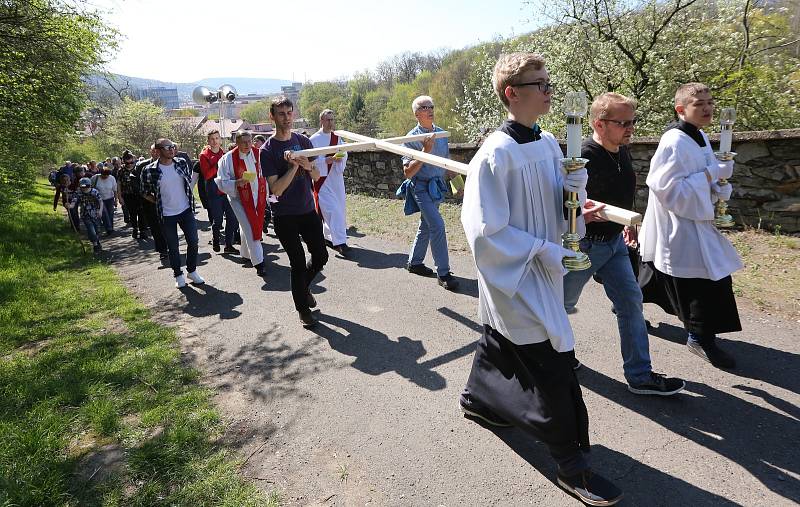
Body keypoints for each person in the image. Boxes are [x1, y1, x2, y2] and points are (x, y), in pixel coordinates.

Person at [459, 52, 622, 506]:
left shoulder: (548, 142)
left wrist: (575, 199)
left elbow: (557, 195)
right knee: (553, 360)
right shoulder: (495, 154)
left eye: (550, 82)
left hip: (546, 265)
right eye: (541, 84)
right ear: (513, 94)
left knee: (501, 341)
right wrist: (549, 251)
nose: (550, 90)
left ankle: (477, 399)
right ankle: (572, 465)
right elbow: (486, 233)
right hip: (519, 272)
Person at [561, 93, 686, 396]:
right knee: (557, 307)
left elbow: (623, 188)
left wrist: (626, 226)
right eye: (623, 123)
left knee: (631, 304)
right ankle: (554, 355)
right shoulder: (580, 157)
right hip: (585, 247)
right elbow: (562, 200)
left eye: (633, 122)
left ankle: (640, 376)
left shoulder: (622, 151)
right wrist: (574, 216)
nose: (630, 128)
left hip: (615, 243)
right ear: (599, 124)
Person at [639, 82, 742, 369]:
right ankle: (699, 338)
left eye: (710, 102)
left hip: (698, 221)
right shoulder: (674, 141)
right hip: (680, 223)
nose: (708, 108)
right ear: (681, 109)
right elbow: (666, 188)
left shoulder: (700, 137)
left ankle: (631, 305)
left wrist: (719, 187)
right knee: (702, 281)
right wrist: (711, 173)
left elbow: (703, 177)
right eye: (699, 104)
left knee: (685, 275)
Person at [262, 96, 328, 328]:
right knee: (298, 262)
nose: (287, 118)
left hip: (307, 209)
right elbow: (276, 189)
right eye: (281, 114)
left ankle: (303, 287)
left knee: (321, 256)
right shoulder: (267, 150)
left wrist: (307, 164)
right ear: (272, 117)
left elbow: (317, 175)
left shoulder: (303, 141)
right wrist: (293, 166)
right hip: (284, 215)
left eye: (289, 113)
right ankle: (303, 309)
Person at [397, 95, 458, 290]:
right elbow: (408, 173)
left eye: (431, 106)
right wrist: (425, 150)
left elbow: (446, 162)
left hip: (437, 186)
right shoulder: (410, 139)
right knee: (437, 225)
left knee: (427, 224)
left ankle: (414, 263)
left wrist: (459, 183)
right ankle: (444, 272)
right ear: (416, 114)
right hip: (420, 188)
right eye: (425, 107)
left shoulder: (440, 134)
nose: (430, 109)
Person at [141, 138, 205, 288]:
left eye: (173, 146)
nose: (172, 149)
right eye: (168, 147)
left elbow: (188, 182)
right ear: (158, 151)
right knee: (173, 246)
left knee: (193, 241)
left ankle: (192, 271)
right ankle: (178, 274)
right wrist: (157, 201)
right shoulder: (149, 170)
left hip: (185, 210)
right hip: (166, 215)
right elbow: (144, 192)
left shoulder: (181, 163)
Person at [216, 131, 268, 276]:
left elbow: (266, 173)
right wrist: (237, 183)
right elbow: (221, 182)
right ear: (237, 143)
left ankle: (245, 253)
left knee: (248, 224)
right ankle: (259, 263)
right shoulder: (227, 159)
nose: (247, 145)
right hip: (239, 199)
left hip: (259, 196)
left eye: (249, 141)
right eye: (243, 142)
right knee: (251, 227)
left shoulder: (259, 154)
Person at [310, 109, 351, 256]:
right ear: (321, 121)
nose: (330, 122)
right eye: (327, 120)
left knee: (339, 209)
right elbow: (310, 161)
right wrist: (325, 161)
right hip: (322, 180)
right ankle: (340, 242)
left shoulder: (337, 137)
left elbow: (344, 151)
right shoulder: (313, 139)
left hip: (336, 179)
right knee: (332, 210)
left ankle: (328, 237)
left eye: (332, 119)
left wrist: (341, 157)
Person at [199, 130, 239, 254]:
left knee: (232, 219)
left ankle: (228, 245)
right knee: (218, 221)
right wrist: (219, 164)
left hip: (227, 191)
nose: (215, 141)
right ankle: (215, 239)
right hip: (213, 192)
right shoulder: (204, 155)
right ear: (208, 141)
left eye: (217, 138)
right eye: (212, 139)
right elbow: (207, 175)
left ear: (220, 140)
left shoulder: (225, 153)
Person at [137, 145, 168, 259]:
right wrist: (152, 198)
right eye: (153, 151)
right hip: (150, 203)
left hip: (167, 202)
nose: (156, 153)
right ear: (150, 152)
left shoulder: (167, 164)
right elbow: (139, 187)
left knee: (167, 226)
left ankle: (171, 246)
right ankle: (163, 250)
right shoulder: (142, 166)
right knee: (156, 228)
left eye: (158, 151)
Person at [68, 177, 105, 253]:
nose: (84, 189)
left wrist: (100, 211)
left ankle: (97, 242)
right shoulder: (78, 193)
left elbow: (100, 201)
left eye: (86, 186)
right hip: (85, 215)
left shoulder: (94, 192)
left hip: (96, 214)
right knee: (91, 230)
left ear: (90, 185)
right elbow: (73, 202)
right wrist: (69, 206)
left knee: (97, 230)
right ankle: (95, 245)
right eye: (82, 187)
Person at [118, 150, 148, 240]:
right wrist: (120, 197)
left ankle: (143, 230)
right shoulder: (121, 171)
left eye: (131, 162)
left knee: (142, 213)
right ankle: (135, 228)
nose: (130, 164)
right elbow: (119, 184)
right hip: (128, 195)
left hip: (139, 194)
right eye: (128, 163)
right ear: (124, 161)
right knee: (132, 213)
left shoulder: (138, 168)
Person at [90, 164, 118, 236]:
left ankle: (110, 227)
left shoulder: (112, 178)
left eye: (107, 176)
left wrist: (116, 200)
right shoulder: (95, 178)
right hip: (99, 200)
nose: (105, 177)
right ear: (101, 173)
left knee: (110, 214)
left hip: (110, 198)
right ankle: (109, 229)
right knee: (104, 214)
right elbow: (90, 188)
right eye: (103, 175)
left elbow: (115, 190)